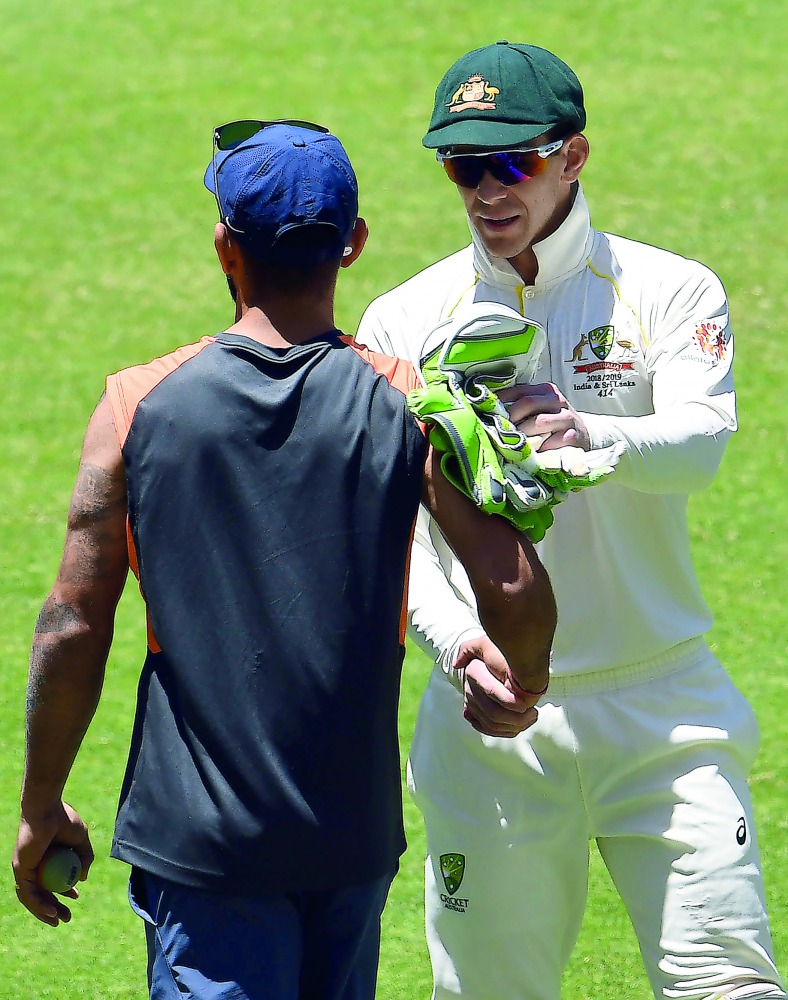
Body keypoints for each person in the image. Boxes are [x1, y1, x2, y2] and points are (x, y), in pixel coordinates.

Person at [12, 120, 557, 1000]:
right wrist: (521, 685)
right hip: (350, 840)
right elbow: (513, 587)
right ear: (353, 247)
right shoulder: (405, 400)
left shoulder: (136, 406)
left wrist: (42, 805)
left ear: (225, 246)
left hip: (203, 846)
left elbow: (74, 620)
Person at [355, 41, 786, 1000]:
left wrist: (589, 434)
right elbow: (396, 533)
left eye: (514, 163)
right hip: (494, 722)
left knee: (729, 986)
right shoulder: (402, 319)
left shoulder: (671, 289)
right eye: (463, 167)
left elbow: (704, 440)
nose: (486, 191)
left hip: (663, 707)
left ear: (574, 156)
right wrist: (458, 642)